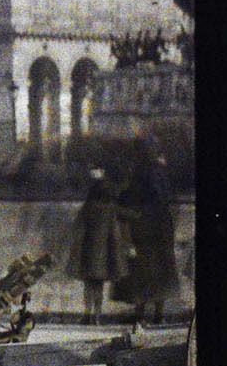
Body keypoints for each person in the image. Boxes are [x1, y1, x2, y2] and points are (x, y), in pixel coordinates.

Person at [116, 138, 180, 323]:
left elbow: (129, 199)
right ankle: (158, 315)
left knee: (142, 272)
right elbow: (164, 199)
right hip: (160, 229)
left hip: (145, 229)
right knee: (161, 271)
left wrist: (133, 214)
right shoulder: (160, 172)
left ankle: (141, 315)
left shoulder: (140, 173)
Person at [66, 167, 132, 322]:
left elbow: (76, 228)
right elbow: (121, 226)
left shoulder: (87, 208)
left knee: (88, 286)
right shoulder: (111, 209)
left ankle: (87, 314)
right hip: (104, 256)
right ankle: (97, 316)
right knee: (99, 286)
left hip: (88, 254)